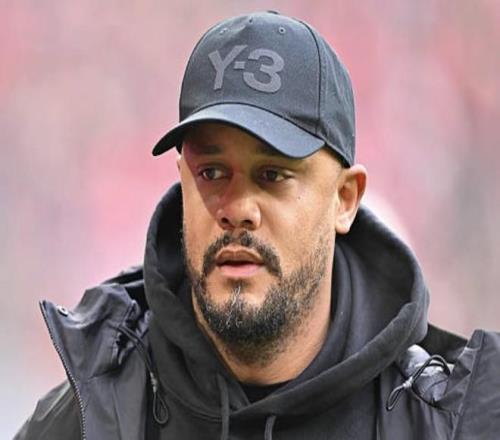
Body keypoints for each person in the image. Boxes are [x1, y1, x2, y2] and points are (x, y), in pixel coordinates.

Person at [16, 11, 500, 440]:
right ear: (182, 181)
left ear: (344, 199)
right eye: (212, 173)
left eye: (272, 175)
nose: (237, 208)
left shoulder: (457, 421)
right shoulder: (91, 413)